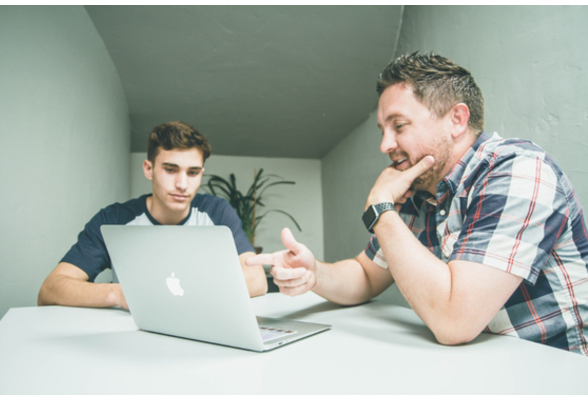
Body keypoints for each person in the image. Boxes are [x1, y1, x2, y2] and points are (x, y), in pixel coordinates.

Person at [247, 52, 588, 355]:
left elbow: (455, 322)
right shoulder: (421, 189)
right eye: (383, 129)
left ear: (456, 119)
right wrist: (314, 273)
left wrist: (381, 208)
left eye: (399, 126)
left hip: (557, 371)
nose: (385, 144)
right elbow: (367, 274)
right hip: (479, 365)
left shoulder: (519, 170)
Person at [39, 121, 267, 309]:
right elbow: (51, 289)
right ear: (149, 169)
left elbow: (257, 280)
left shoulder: (216, 212)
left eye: (193, 172)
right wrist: (121, 294)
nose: (182, 184)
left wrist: (174, 291)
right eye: (170, 169)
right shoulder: (114, 219)